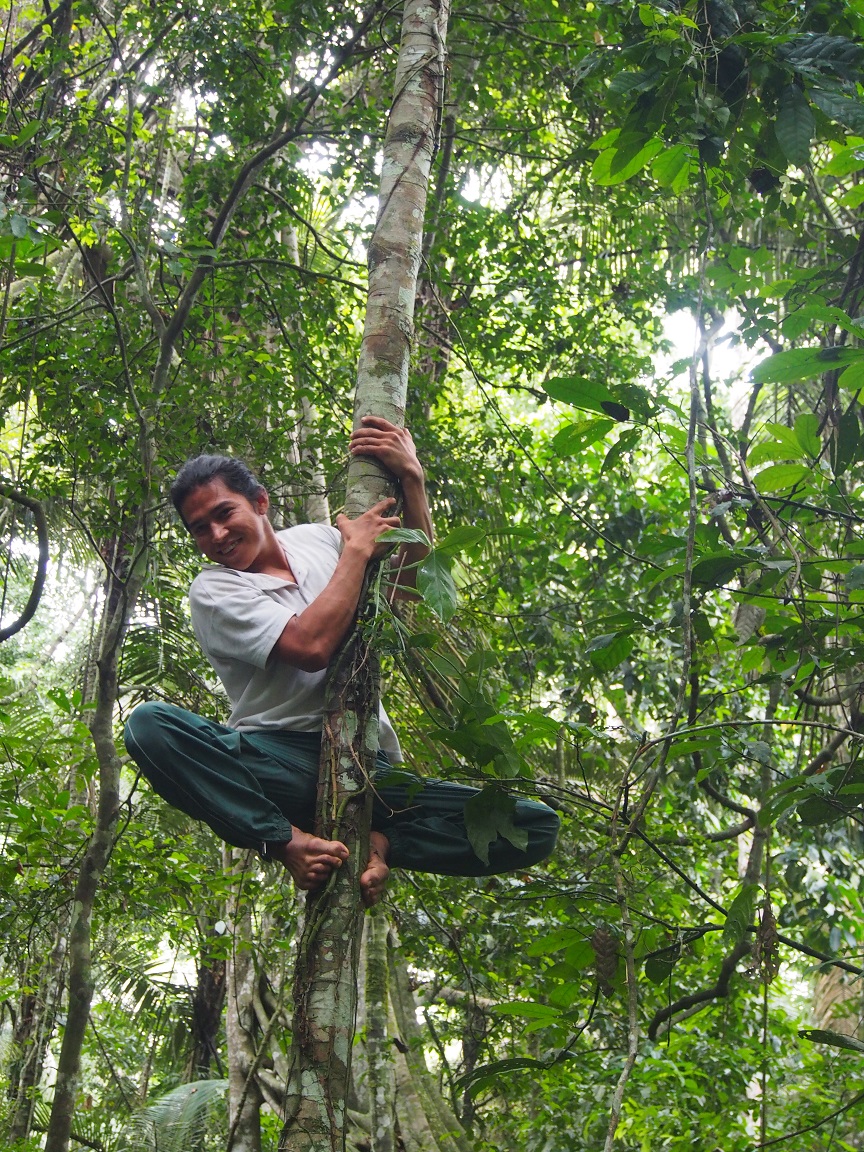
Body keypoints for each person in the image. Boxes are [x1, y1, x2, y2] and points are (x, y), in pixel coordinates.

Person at [124, 417, 559, 905]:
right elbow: (311, 647)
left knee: (535, 824)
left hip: (371, 762)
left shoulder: (316, 538)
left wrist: (412, 480)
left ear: (260, 502)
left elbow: (409, 586)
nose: (217, 533)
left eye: (225, 513)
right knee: (148, 725)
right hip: (278, 760)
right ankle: (285, 841)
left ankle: (383, 843)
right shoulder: (214, 589)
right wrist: (355, 551)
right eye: (200, 529)